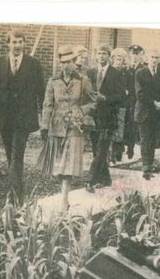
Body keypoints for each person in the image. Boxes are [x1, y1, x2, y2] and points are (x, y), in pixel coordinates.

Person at [39, 45, 101, 210]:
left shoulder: (83, 81)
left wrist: (81, 110)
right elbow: (47, 105)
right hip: (56, 128)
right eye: (62, 62)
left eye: (68, 62)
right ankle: (64, 193)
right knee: (58, 168)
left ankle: (64, 200)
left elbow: (93, 101)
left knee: (68, 165)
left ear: (74, 62)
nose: (65, 66)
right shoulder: (53, 82)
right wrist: (44, 126)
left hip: (75, 127)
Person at [0, 29, 45, 204]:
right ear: (8, 44)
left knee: (17, 154)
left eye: (20, 42)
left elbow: (41, 91)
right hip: (4, 118)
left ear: (24, 44)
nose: (18, 45)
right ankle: (17, 188)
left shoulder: (33, 63)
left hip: (24, 119)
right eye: (14, 42)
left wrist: (44, 114)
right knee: (9, 155)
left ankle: (14, 196)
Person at [85, 45, 127, 190]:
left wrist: (106, 98)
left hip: (108, 117)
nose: (101, 56)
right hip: (93, 117)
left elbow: (122, 97)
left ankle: (90, 180)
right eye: (99, 53)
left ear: (109, 56)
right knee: (97, 149)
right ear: (96, 56)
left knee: (102, 148)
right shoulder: (90, 72)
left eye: (104, 54)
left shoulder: (116, 74)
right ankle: (106, 178)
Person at [134, 48, 160, 181]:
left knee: (153, 141)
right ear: (146, 58)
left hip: (157, 114)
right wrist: (154, 102)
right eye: (152, 57)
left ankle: (149, 166)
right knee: (144, 140)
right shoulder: (140, 73)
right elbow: (140, 94)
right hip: (144, 112)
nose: (154, 60)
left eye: (157, 57)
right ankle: (145, 168)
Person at [123, 44, 145, 160]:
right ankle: (123, 146)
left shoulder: (142, 69)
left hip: (137, 100)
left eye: (137, 54)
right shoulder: (127, 68)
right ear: (130, 55)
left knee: (133, 124)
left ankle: (130, 147)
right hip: (127, 100)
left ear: (141, 56)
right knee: (125, 123)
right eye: (133, 54)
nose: (135, 57)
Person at [109, 48, 130, 164]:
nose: (118, 62)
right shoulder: (109, 72)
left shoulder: (125, 74)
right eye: (117, 59)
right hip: (111, 105)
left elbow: (128, 90)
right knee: (110, 129)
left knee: (119, 131)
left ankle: (116, 154)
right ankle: (110, 154)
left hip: (121, 105)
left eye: (121, 60)